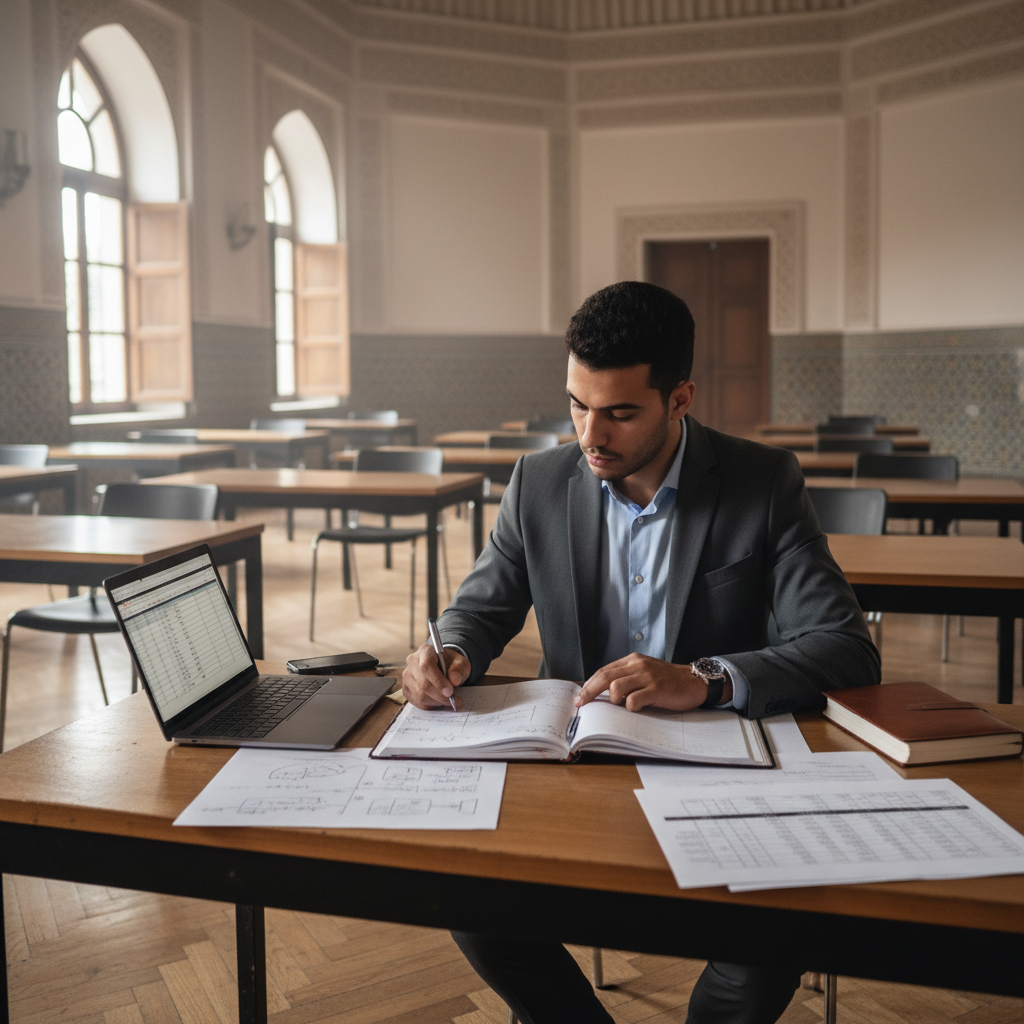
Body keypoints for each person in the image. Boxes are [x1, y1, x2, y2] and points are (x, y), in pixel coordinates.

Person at [402, 280, 880, 1024]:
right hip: (573, 769)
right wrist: (452, 649)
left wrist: (707, 679)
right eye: (576, 404)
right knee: (472, 903)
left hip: (722, 771)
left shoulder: (762, 483)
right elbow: (481, 607)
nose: (591, 434)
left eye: (620, 412)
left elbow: (847, 648)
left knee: (766, 949)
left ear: (680, 398)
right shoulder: (538, 481)